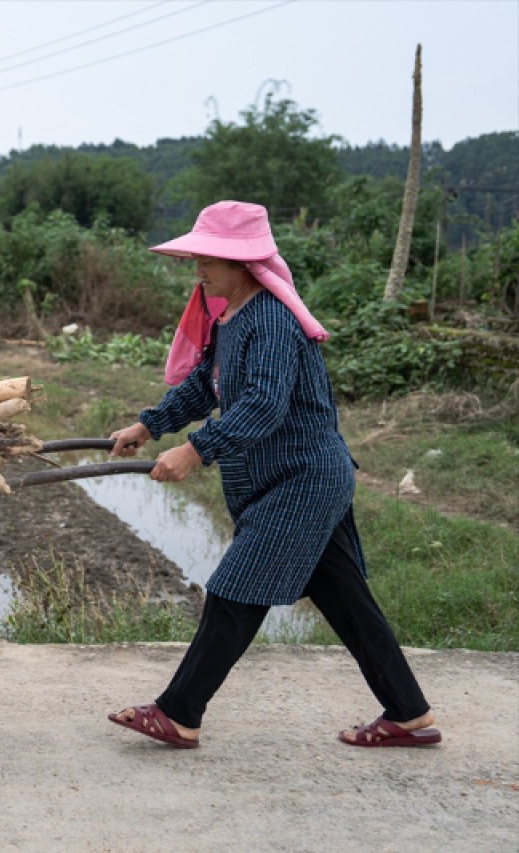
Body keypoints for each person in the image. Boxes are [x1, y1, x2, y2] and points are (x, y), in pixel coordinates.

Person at [105, 200, 440, 749]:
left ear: (242, 263)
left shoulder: (271, 320)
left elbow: (263, 404)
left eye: (208, 259)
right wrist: (149, 425)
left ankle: (179, 712)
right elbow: (204, 386)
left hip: (303, 481)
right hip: (287, 481)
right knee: (347, 601)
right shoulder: (231, 318)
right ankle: (408, 712)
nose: (198, 268)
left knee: (235, 589)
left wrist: (194, 451)